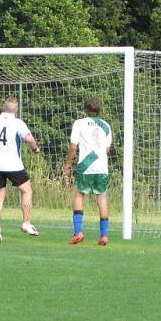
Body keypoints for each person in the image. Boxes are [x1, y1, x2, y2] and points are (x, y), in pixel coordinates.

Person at [0, 97, 41, 242]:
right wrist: (35, 149)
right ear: (17, 110)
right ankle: (26, 223)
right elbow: (29, 139)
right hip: (13, 165)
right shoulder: (18, 123)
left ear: (3, 108)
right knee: (27, 191)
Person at [63, 97, 113, 246]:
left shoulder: (79, 123)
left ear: (85, 110)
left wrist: (68, 164)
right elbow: (107, 149)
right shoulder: (106, 125)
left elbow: (73, 146)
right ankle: (104, 236)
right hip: (101, 166)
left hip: (85, 165)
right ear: (99, 110)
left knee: (79, 196)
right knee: (102, 198)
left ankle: (78, 232)